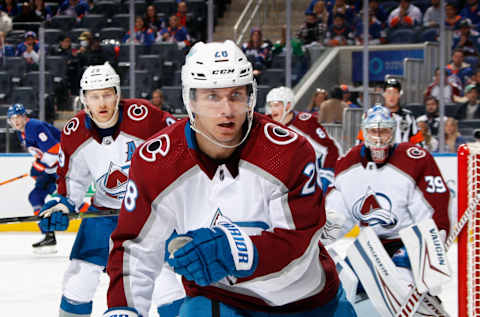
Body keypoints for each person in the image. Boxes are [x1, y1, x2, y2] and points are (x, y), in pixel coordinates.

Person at [104, 40, 357, 317]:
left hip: (307, 302)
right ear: (191, 100)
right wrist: (123, 309)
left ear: (251, 96)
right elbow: (135, 247)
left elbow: (298, 245)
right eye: (212, 96)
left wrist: (233, 250)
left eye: (236, 94)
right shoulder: (156, 160)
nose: (227, 110)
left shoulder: (287, 151)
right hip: (221, 299)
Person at [36, 62, 184, 317]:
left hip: (147, 212)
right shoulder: (74, 132)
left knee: (163, 278)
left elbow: (180, 149)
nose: (102, 102)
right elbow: (71, 183)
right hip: (103, 213)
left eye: (107, 94)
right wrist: (60, 205)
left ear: (117, 94)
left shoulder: (145, 116)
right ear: (84, 100)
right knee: (78, 278)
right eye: (94, 97)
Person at [323, 105, 451, 314]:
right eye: (374, 131)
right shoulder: (348, 164)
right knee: (342, 289)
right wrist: (316, 243)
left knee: (402, 292)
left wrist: (423, 253)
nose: (379, 138)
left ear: (393, 132)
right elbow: (336, 215)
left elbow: (436, 213)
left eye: (384, 131)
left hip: (407, 244)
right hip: (369, 247)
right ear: (364, 132)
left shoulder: (415, 159)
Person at [7, 103, 60, 253]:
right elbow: (40, 154)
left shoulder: (35, 126)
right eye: (12, 119)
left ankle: (105, 226)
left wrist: (39, 166)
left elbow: (55, 149)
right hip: (51, 169)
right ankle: (48, 236)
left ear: (25, 116)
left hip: (63, 167)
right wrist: (38, 167)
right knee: (36, 197)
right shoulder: (21, 132)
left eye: (18, 117)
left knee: (72, 200)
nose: (15, 121)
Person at [266, 86, 341, 191]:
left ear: (288, 106)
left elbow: (331, 149)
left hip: (308, 183)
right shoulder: (266, 125)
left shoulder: (305, 123)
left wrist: (326, 175)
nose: (272, 109)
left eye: (276, 105)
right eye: (270, 105)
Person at [357, 78, 424, 146]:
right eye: (389, 92)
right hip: (377, 154)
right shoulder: (371, 114)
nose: (392, 96)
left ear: (399, 94)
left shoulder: (408, 117)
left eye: (395, 92)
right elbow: (361, 141)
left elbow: (418, 142)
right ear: (384, 94)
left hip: (401, 155)